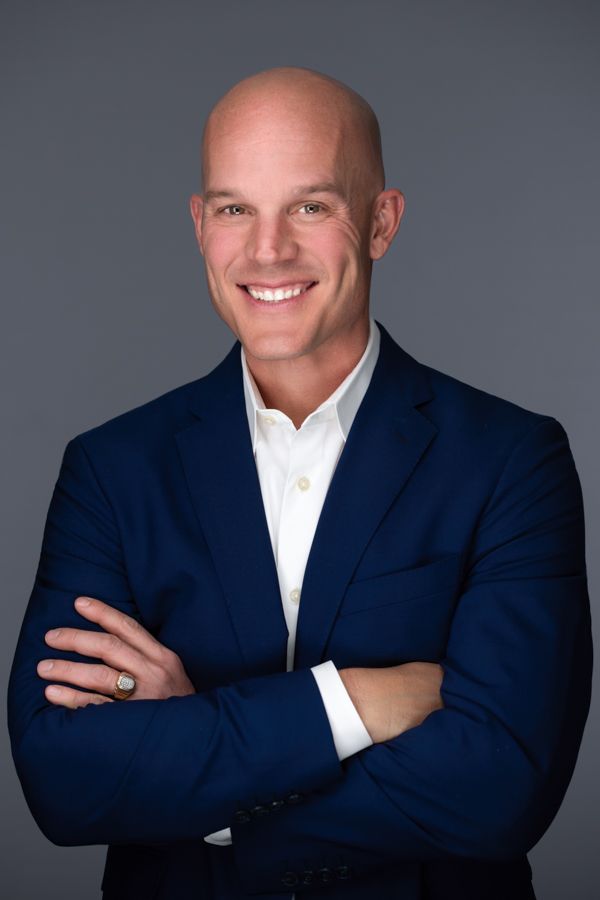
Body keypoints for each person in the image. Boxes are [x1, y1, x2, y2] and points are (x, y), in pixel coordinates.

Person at [7, 66, 592, 900]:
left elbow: (501, 787)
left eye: (310, 206)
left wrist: (194, 758)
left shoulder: (511, 460)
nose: (267, 250)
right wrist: (353, 703)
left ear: (381, 222)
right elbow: (62, 778)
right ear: (199, 223)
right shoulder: (111, 470)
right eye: (234, 209)